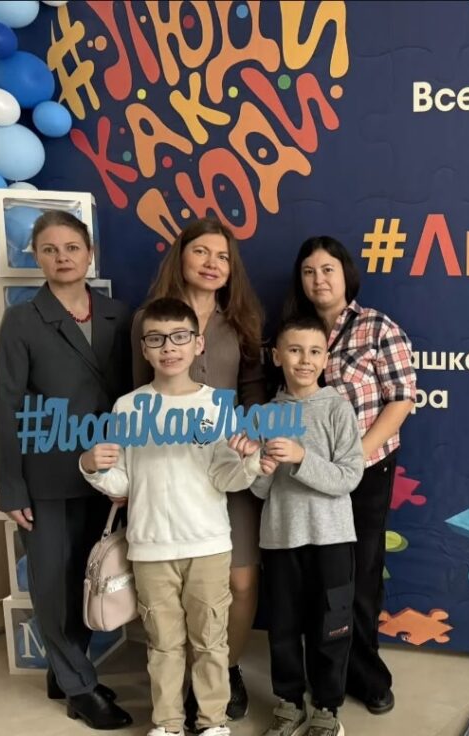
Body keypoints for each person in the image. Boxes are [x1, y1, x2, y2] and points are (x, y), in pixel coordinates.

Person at [80, 297, 263, 736]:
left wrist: (251, 462)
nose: (169, 347)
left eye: (179, 337)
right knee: (162, 644)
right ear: (144, 349)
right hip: (150, 547)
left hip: (208, 545)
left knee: (211, 642)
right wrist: (92, 466)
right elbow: (123, 484)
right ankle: (167, 723)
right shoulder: (127, 407)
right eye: (157, 339)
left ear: (198, 344)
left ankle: (213, 721)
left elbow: (225, 476)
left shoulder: (218, 406)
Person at [0, 210, 134, 729]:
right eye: (49, 249)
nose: (62, 257)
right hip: (46, 475)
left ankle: (65, 671)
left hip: (105, 474)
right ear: (36, 257)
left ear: (89, 253)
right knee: (52, 582)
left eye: (72, 247)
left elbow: (132, 398)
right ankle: (80, 688)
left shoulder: (119, 314)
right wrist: (10, 487)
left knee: (88, 578)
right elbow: (5, 408)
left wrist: (129, 475)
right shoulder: (22, 320)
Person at [131, 217, 265, 721]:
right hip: (173, 474)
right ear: (181, 257)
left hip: (230, 462)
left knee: (241, 581)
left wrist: (249, 437)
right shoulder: (149, 318)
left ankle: (225, 669)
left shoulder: (242, 320)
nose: (212, 264)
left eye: (223, 257)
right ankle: (185, 681)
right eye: (202, 252)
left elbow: (252, 389)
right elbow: (135, 394)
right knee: (175, 589)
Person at [283, 236, 417, 715]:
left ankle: (366, 675)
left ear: (346, 275)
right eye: (309, 271)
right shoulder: (293, 331)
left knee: (358, 577)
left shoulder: (377, 327)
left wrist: (355, 458)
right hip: (303, 474)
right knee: (317, 577)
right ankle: (322, 678)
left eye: (328, 270)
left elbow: (401, 399)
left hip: (366, 468)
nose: (318, 280)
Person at [252, 315, 365, 736]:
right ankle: (288, 703)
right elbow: (260, 490)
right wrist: (261, 467)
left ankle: (327, 708)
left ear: (325, 358)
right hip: (281, 538)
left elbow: (348, 477)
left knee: (332, 625)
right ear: (277, 356)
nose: (305, 360)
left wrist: (301, 457)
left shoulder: (337, 408)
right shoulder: (264, 415)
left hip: (332, 538)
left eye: (315, 351)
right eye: (295, 350)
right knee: (282, 626)